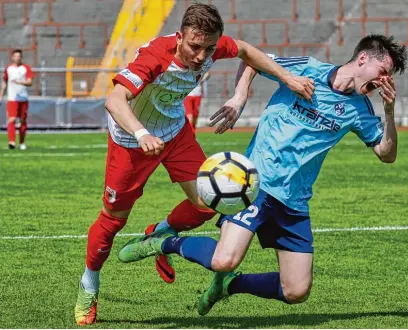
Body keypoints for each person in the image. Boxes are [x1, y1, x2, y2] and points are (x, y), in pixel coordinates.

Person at [118, 34, 407, 315]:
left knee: (296, 291)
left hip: (294, 202)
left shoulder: (360, 110)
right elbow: (253, 60)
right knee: (224, 259)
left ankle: (230, 286)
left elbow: (386, 153)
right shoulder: (306, 68)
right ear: (363, 59)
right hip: (256, 184)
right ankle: (161, 242)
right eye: (383, 71)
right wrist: (240, 96)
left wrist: (390, 112)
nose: (384, 81)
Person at [74, 3, 314, 326]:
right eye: (194, 46)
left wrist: (279, 82)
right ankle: (89, 284)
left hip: (174, 132)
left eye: (209, 48)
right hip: (131, 140)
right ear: (180, 37)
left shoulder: (213, 49)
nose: (201, 56)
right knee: (112, 221)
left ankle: (158, 235)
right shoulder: (156, 56)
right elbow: (114, 100)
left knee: (209, 202)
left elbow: (245, 50)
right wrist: (142, 133)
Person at [0, 49, 34, 150]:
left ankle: (22, 142)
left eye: (19, 56)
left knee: (23, 121)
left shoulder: (26, 68)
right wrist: (1, 95)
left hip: (23, 98)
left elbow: (30, 82)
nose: (17, 58)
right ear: (12, 57)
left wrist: (21, 82)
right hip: (12, 98)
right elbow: (5, 82)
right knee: (12, 119)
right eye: (15, 56)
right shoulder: (8, 69)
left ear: (21, 58)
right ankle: (12, 141)